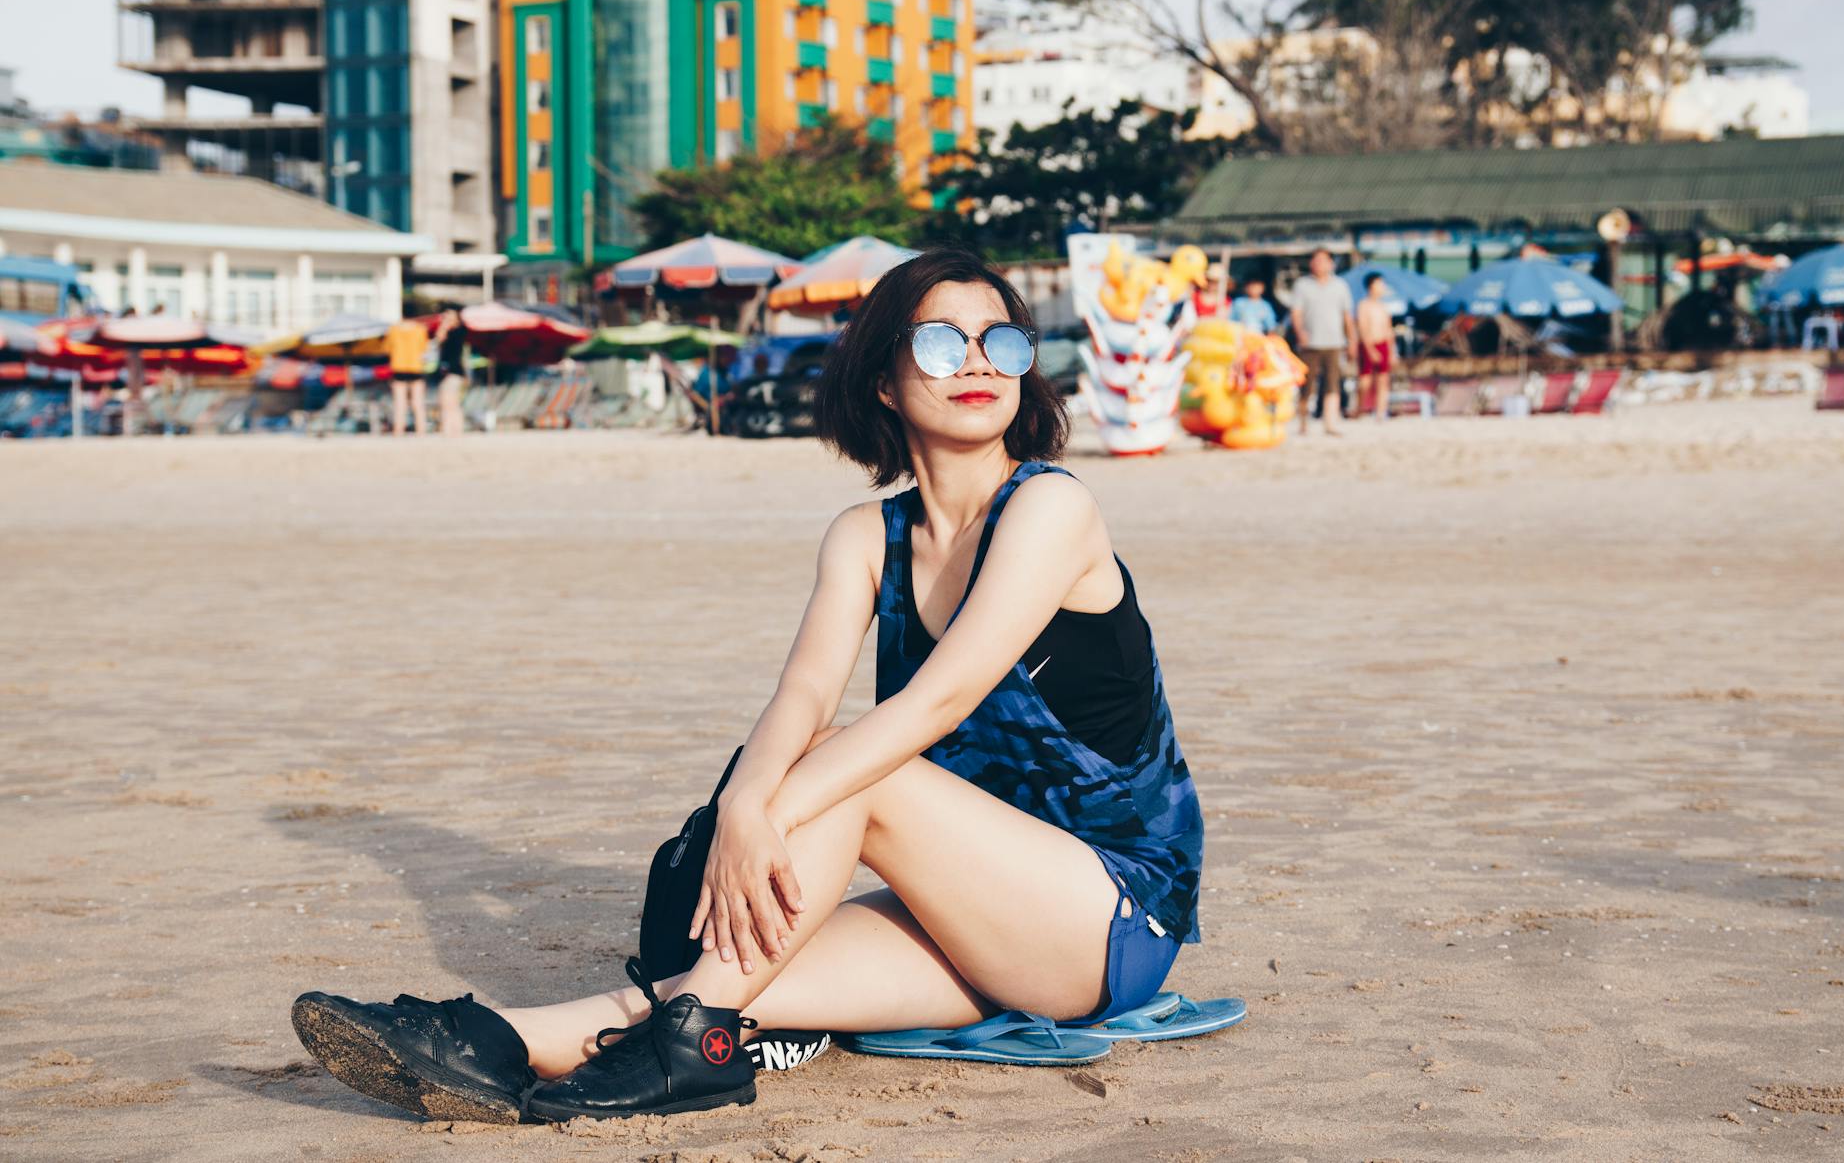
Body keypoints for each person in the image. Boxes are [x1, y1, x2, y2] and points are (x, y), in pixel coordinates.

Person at [289, 248, 1206, 1125]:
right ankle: (498, 1044)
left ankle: (674, 1055)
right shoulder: (863, 537)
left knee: (860, 774)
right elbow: (799, 698)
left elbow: (934, 705)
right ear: (884, 379)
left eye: (1001, 340)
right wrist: (741, 810)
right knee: (720, 989)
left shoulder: (1051, 506)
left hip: (1109, 915)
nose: (977, 362)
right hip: (974, 904)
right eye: (940, 340)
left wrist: (768, 811)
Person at [1287, 249, 1355, 435]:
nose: (1319, 264)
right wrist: (1300, 332)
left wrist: (1352, 341)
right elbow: (1296, 313)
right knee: (1306, 385)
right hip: (1310, 343)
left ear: (1331, 264)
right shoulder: (1302, 285)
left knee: (1332, 385)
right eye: (1316, 260)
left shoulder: (1340, 285)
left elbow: (1347, 316)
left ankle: (1330, 423)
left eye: (1323, 260)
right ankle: (1303, 422)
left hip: (1334, 342)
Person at [1354, 274, 1396, 420]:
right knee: (1365, 380)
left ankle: (1380, 412)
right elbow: (1363, 329)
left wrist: (1391, 351)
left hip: (1383, 343)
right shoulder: (1363, 305)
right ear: (1371, 286)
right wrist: (1370, 349)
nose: (1382, 287)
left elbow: (1388, 329)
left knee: (1383, 379)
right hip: (1368, 344)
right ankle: (1359, 408)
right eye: (1379, 284)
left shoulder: (1383, 306)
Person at [382, 315, 430, 437]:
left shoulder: (393, 330)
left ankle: (398, 430)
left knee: (399, 402)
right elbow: (424, 348)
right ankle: (421, 430)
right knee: (418, 402)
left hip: (399, 367)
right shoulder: (420, 329)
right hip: (416, 367)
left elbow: (387, 348)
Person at [434, 310, 469, 437]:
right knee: (451, 402)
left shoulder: (458, 332)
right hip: (452, 372)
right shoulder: (453, 333)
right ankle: (454, 429)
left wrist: (444, 325)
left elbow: (439, 338)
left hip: (453, 372)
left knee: (448, 402)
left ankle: (450, 429)